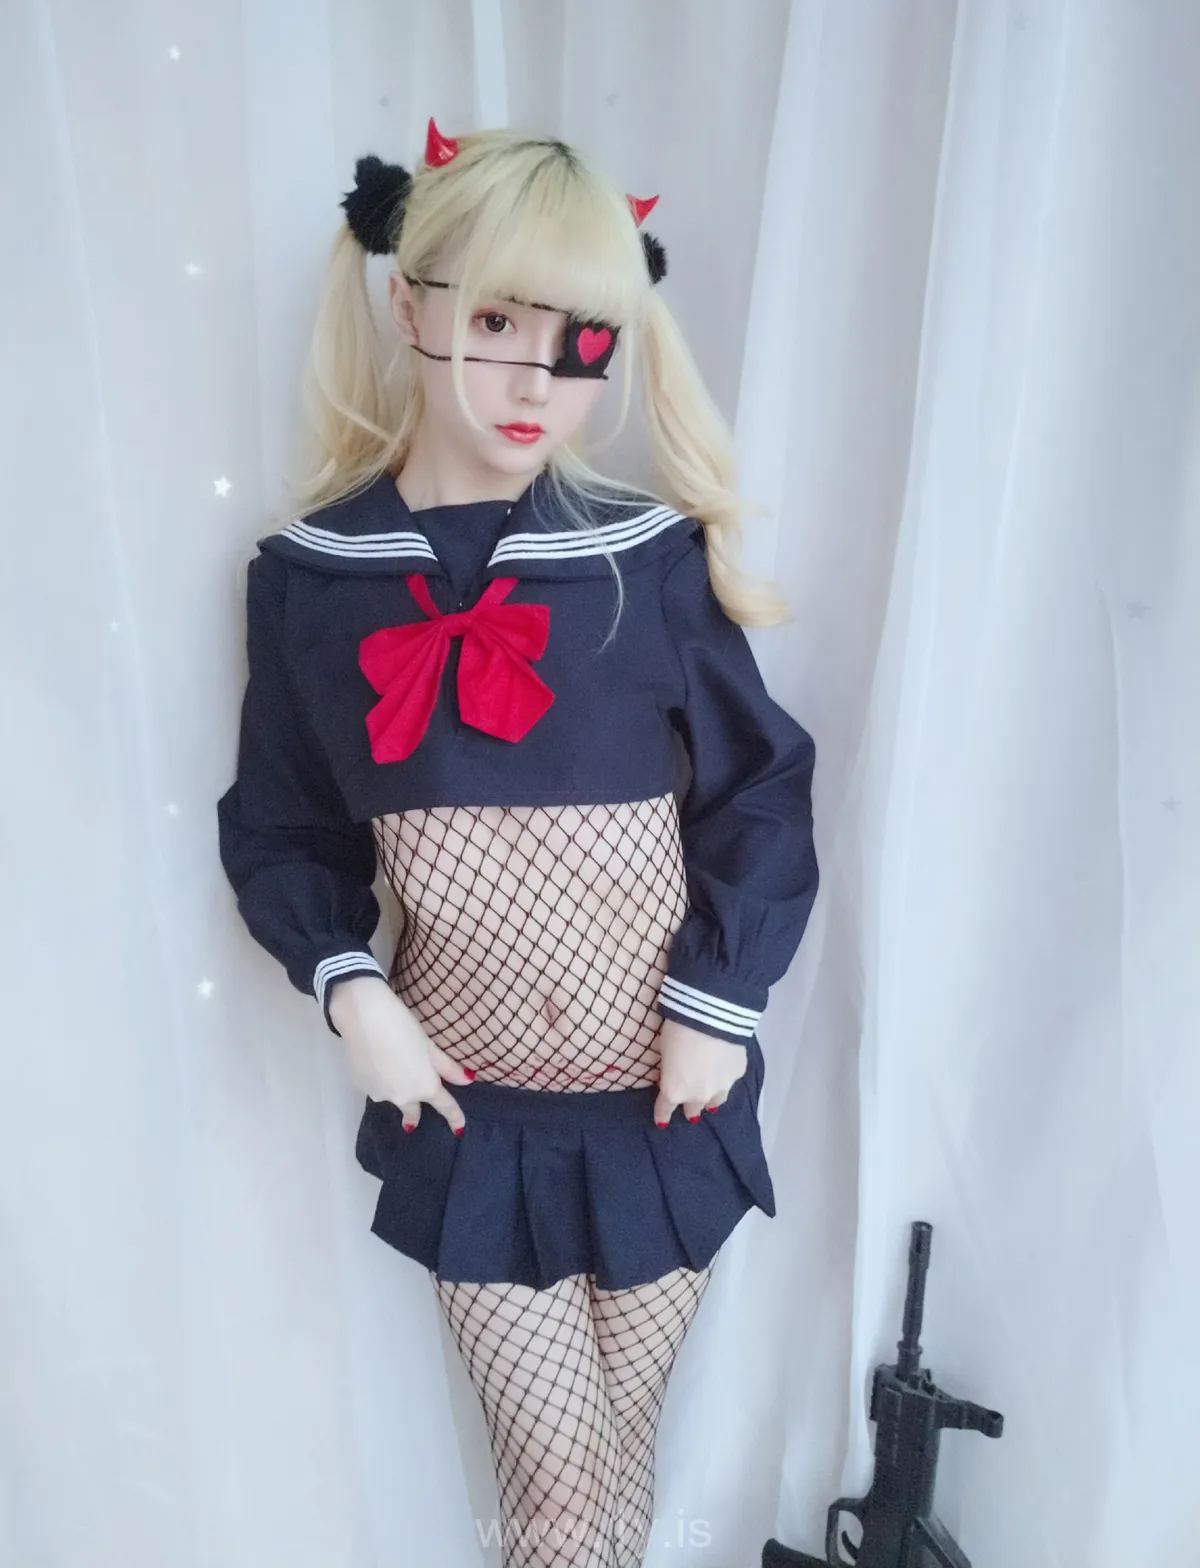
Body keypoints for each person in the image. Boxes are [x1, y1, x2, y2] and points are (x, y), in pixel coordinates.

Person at [216, 117, 819, 1567]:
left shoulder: (644, 560)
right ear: (408, 303)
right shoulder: (312, 582)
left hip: (665, 1099)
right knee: (555, 1492)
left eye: (580, 340)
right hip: (475, 1111)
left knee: (612, 1473)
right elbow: (283, 828)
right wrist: (352, 995)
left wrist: (721, 1005)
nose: (539, 379)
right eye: (496, 322)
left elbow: (759, 789)